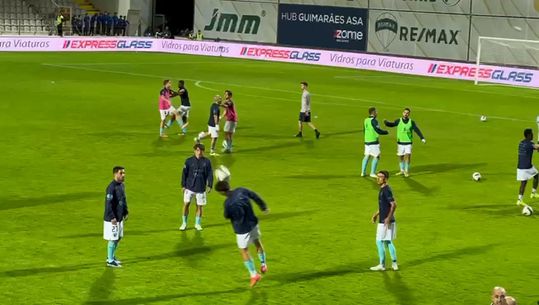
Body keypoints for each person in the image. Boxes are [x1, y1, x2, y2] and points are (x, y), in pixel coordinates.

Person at [215, 180, 269, 288]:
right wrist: (263, 207)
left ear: (221, 192)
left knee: (244, 251)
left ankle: (254, 275)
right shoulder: (241, 190)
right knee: (257, 242)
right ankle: (263, 264)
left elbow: (226, 216)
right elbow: (255, 196)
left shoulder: (228, 203)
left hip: (241, 229)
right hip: (253, 223)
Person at [384, 108, 426, 177]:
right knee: (401, 156)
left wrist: (422, 138)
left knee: (408, 156)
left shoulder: (411, 122)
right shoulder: (398, 121)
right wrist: (386, 123)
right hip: (400, 142)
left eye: (407, 113)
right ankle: (401, 170)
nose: (406, 114)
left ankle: (406, 171)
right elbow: (392, 124)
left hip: (408, 142)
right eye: (405, 112)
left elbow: (416, 130)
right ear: (402, 113)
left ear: (409, 114)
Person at [180, 143, 213, 231]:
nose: (199, 152)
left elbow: (210, 174)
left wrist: (209, 185)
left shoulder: (207, 162)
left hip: (201, 188)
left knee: (199, 206)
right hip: (189, 187)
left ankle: (197, 224)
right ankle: (184, 223)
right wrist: (183, 185)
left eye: (201, 150)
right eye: (198, 150)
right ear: (194, 150)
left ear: (203, 151)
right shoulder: (188, 161)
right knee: (186, 204)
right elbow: (184, 174)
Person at [370, 170, 398, 271]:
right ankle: (394, 264)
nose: (378, 178)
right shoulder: (384, 189)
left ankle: (382, 265)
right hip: (387, 220)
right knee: (388, 242)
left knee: (379, 241)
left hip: (385, 221)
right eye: (377, 176)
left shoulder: (386, 189)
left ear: (385, 178)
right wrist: (375, 214)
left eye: (380, 177)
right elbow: (384, 206)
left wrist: (388, 218)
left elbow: (394, 205)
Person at [103, 166, 128, 268]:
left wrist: (126, 212)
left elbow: (123, 199)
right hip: (112, 219)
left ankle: (112, 256)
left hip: (119, 217)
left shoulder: (121, 185)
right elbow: (108, 204)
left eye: (124, 173)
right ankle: (110, 260)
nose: (123, 175)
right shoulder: (111, 187)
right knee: (113, 238)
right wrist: (112, 217)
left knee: (118, 237)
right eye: (121, 173)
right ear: (115, 174)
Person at [362, 107, 389, 178]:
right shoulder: (374, 121)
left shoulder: (366, 120)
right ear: (373, 112)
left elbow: (364, 130)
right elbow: (378, 130)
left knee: (367, 156)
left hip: (367, 141)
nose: (377, 113)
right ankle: (372, 173)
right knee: (377, 156)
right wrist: (385, 132)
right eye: (376, 112)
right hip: (373, 141)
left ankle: (363, 172)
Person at [516, 128, 539, 206]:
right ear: (529, 135)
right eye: (532, 134)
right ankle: (532, 193)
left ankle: (524, 197)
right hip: (527, 167)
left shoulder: (521, 143)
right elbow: (536, 147)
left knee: (535, 176)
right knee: (525, 182)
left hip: (521, 166)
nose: (533, 135)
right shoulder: (530, 144)